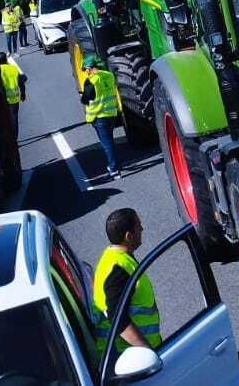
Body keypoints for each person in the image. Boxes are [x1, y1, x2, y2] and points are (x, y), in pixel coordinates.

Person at [92, 208, 161, 351]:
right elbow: (118, 319)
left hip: (132, 354)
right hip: (129, 357)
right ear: (129, 236)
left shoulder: (114, 258)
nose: (142, 229)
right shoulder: (118, 270)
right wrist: (148, 351)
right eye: (138, 226)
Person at [80, 59, 122, 178]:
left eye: (86, 70)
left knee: (106, 144)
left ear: (89, 68)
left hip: (99, 117)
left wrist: (82, 96)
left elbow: (85, 99)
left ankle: (114, 169)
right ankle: (116, 164)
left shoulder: (90, 81)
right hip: (112, 113)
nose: (86, 72)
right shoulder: (108, 75)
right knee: (110, 141)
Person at [0, 51, 24, 135]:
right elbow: (21, 82)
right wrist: (23, 94)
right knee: (14, 118)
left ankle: (8, 136)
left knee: (4, 119)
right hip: (14, 98)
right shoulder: (13, 68)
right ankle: (15, 137)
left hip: (2, 99)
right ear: (6, 59)